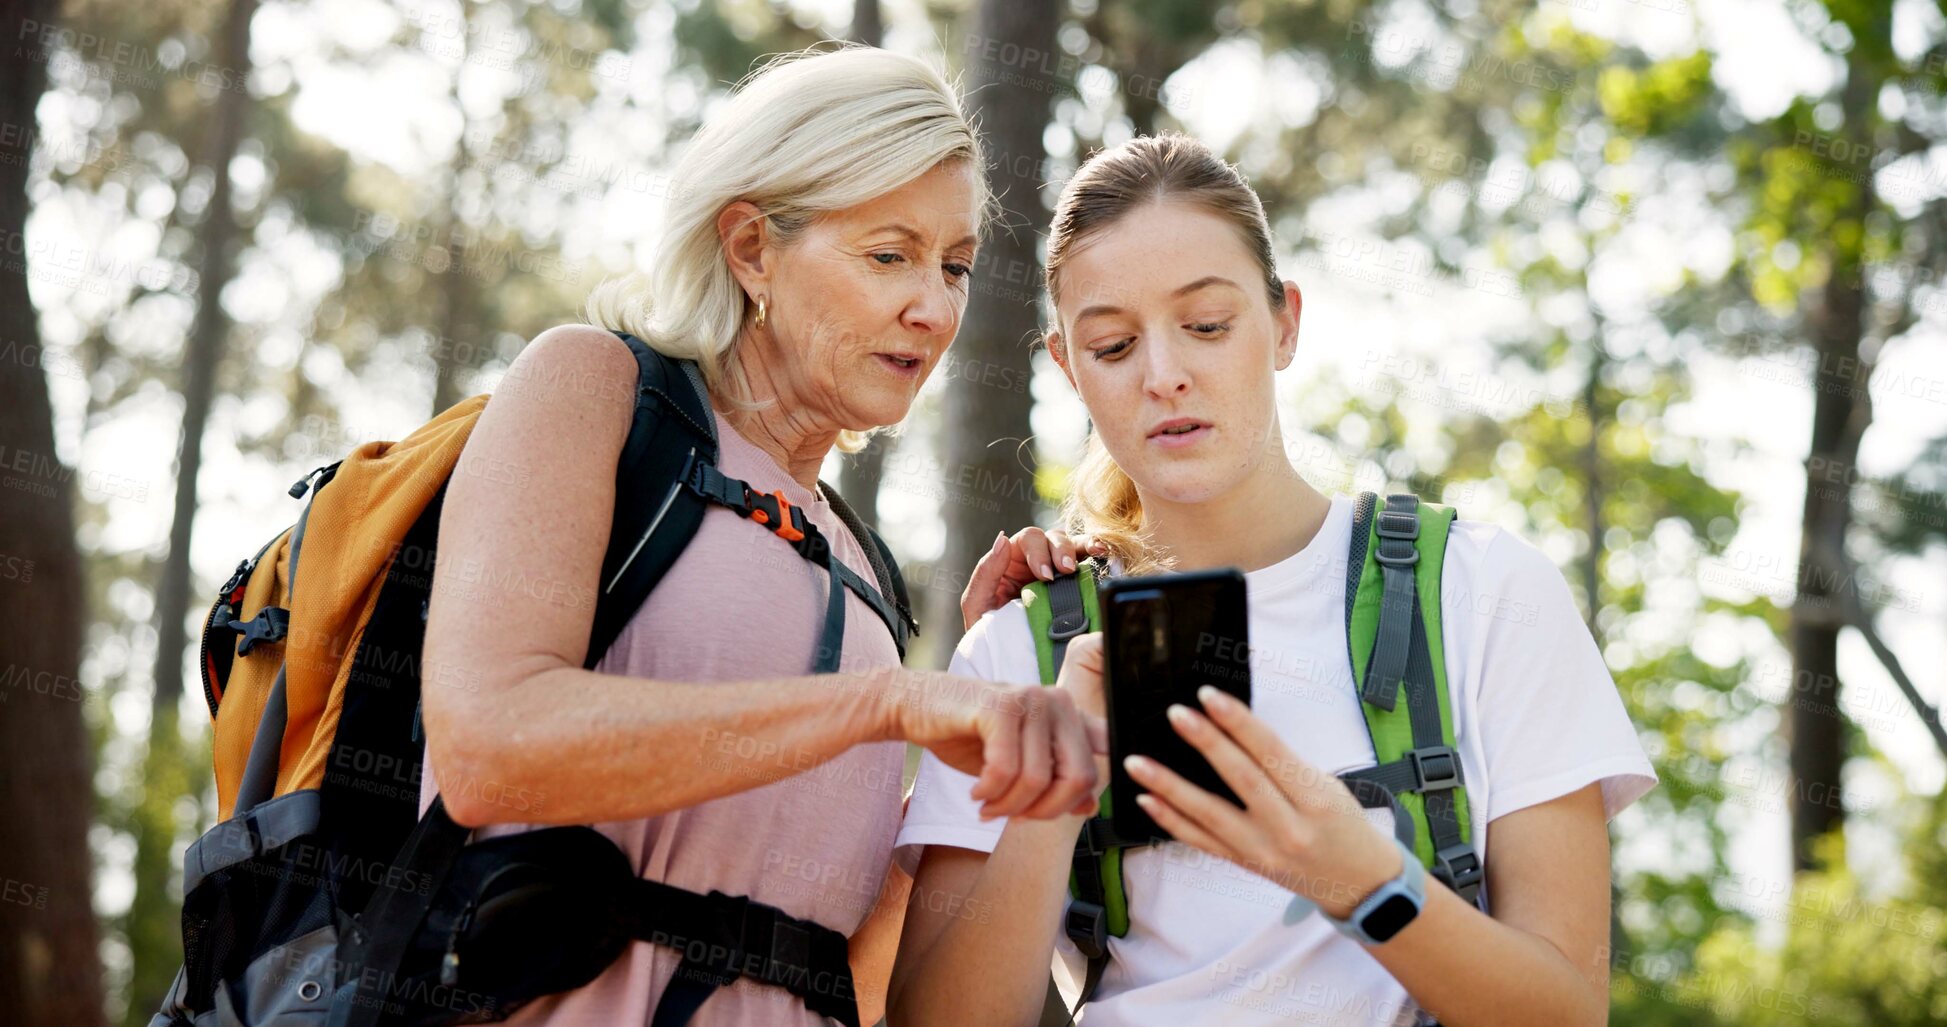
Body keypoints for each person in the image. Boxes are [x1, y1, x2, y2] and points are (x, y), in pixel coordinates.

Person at [887, 134, 1658, 1027]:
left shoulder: (1484, 595)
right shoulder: (1017, 653)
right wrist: (1052, 795)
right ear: (1065, 366)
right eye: (1111, 345)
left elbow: (1567, 1012)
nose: (1164, 374)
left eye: (1207, 325)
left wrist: (1359, 877)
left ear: (1284, 322)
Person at [420, 45, 1104, 1026]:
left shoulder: (867, 574)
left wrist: (987, 714)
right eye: (888, 254)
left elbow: (848, 979)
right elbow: (492, 746)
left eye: (954, 265)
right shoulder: (596, 391)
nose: (935, 306)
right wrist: (895, 702)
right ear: (750, 247)